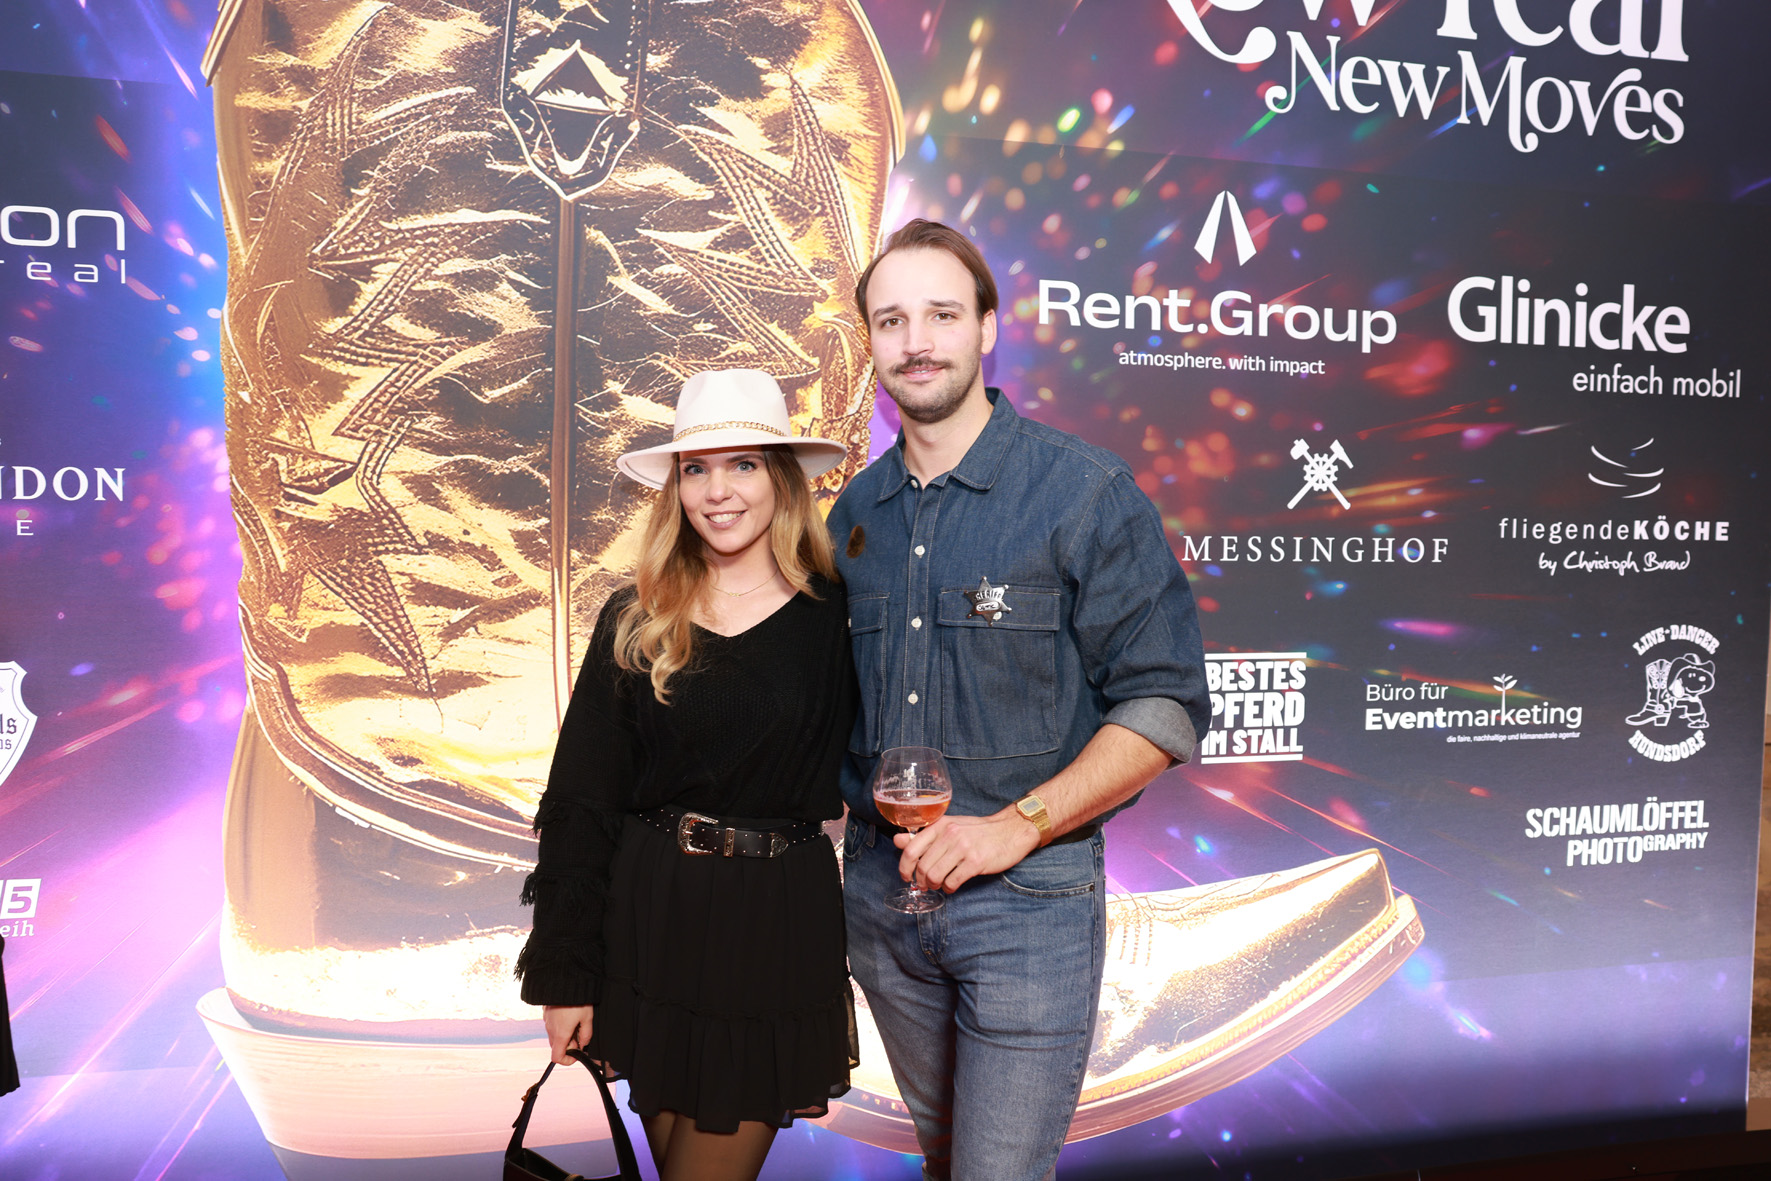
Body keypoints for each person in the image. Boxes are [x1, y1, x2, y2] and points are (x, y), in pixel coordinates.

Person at [829, 220, 1209, 1181]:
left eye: (941, 314)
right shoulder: (853, 515)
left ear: (987, 327)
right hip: (880, 901)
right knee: (947, 1162)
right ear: (869, 341)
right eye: (891, 320)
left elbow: (1163, 705)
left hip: (1025, 906)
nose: (916, 341)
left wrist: (1015, 826)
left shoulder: (1082, 492)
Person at [516, 368, 859, 1181]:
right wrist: (564, 975)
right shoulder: (635, 615)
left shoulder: (840, 617)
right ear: (675, 488)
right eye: (696, 468)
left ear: (783, 480)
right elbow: (581, 801)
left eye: (743, 465)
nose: (717, 490)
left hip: (774, 924)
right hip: (650, 916)